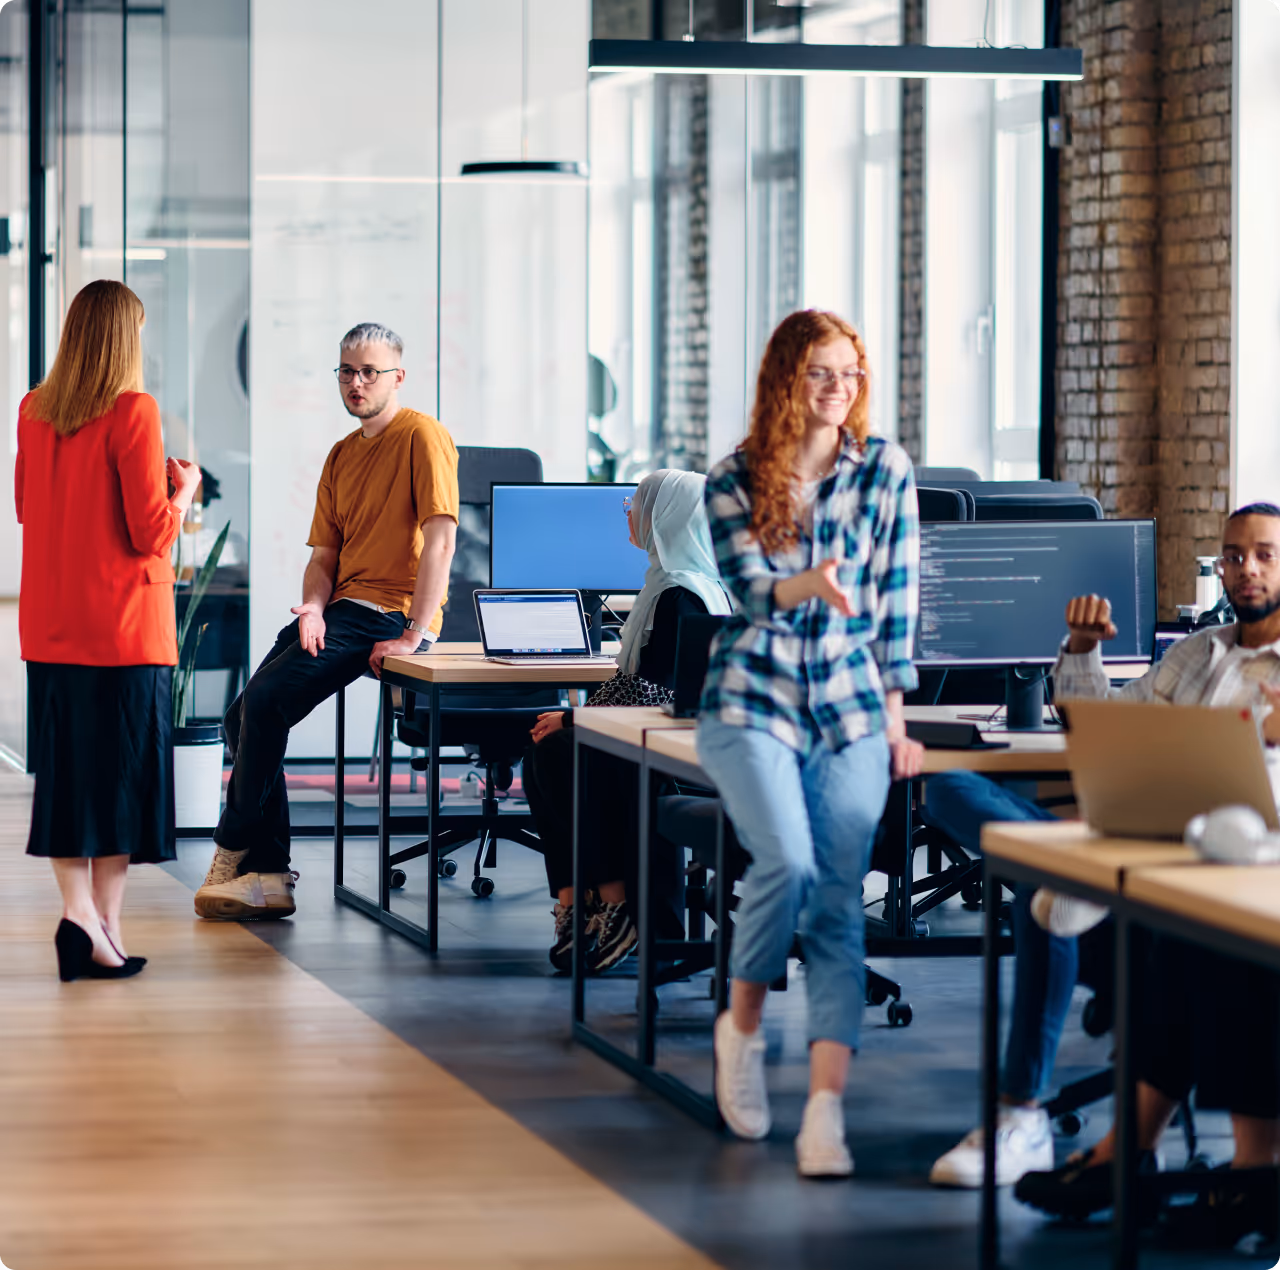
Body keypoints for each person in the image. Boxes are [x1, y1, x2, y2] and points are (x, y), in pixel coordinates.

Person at [929, 504, 1280, 1226]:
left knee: (1065, 898)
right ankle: (1052, 871)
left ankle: (1064, 1128)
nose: (1248, 569)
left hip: (1227, 874)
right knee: (948, 786)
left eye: (1267, 555)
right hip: (1140, 849)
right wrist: (1082, 650)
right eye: (1236, 555)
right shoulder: (1198, 652)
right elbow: (1104, 731)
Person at [695, 309, 924, 1179]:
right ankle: (741, 1029)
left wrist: (896, 719)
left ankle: (825, 1112)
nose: (839, 390)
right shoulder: (734, 479)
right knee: (784, 864)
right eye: (821, 374)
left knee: (836, 901)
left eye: (851, 374)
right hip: (751, 702)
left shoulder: (885, 473)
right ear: (786, 381)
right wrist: (810, 584)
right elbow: (752, 595)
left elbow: (896, 606)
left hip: (853, 709)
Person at [194, 322, 459, 920]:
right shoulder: (342, 454)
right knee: (242, 717)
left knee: (264, 705)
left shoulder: (423, 436)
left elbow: (442, 544)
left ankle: (233, 850)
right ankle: (270, 874)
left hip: (390, 613)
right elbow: (324, 559)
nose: (357, 382)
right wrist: (312, 607)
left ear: (398, 376)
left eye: (370, 371)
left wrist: (414, 634)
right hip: (342, 609)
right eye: (347, 370)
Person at [17, 279, 202, 981]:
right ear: (126, 339)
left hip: (54, 630)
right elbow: (151, 532)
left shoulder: (34, 410)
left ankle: (94, 924)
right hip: (126, 632)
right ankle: (91, 923)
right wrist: (181, 490)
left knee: (68, 781)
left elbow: (29, 508)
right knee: (123, 783)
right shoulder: (135, 410)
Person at [522, 468, 732, 973]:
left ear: (666, 516)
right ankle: (580, 901)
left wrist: (576, 718)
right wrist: (576, 720)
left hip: (675, 748)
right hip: (661, 734)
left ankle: (613, 901)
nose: (628, 511)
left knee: (557, 752)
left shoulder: (680, 595)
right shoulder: (679, 583)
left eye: (636, 502)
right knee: (549, 752)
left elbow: (653, 692)